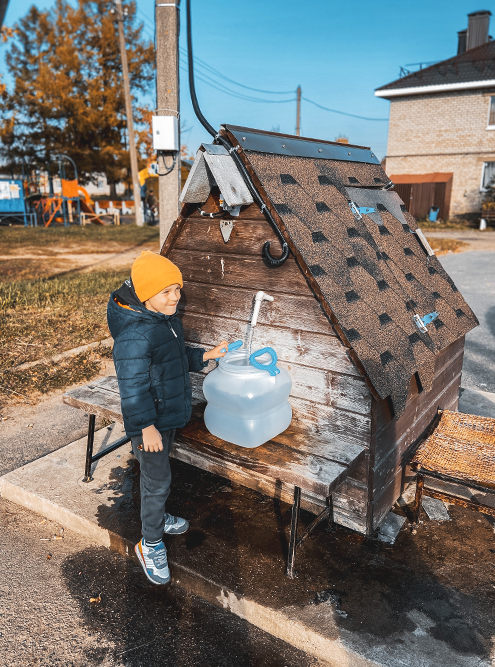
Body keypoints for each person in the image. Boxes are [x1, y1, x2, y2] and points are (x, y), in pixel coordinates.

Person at [107, 251, 228, 585]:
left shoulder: (163, 320)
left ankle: (156, 518)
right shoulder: (135, 336)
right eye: (167, 291)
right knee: (156, 481)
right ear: (146, 295)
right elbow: (132, 390)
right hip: (150, 424)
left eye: (177, 288)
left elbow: (174, 358)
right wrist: (146, 427)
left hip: (164, 417)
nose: (177, 296)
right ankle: (150, 543)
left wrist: (205, 356)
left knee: (158, 479)